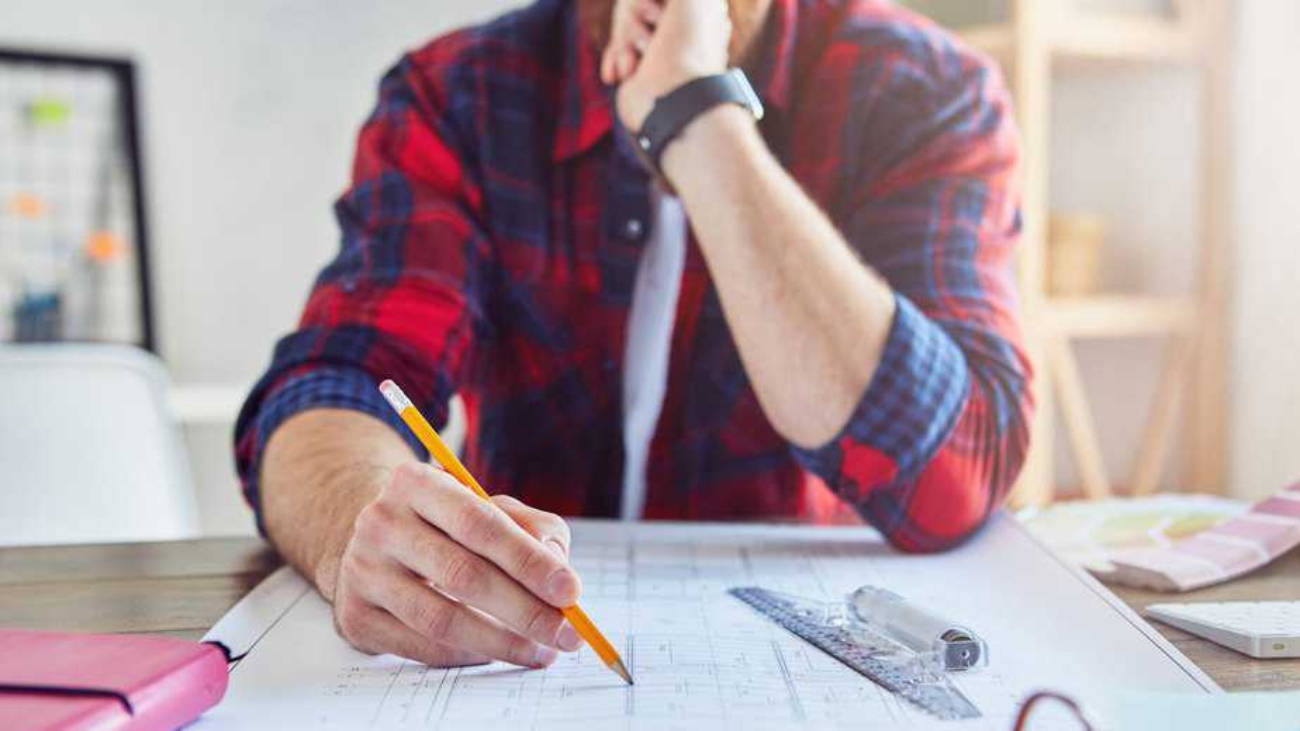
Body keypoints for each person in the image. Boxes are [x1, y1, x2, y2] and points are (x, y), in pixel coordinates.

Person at [234, 0, 1032, 672]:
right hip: (522, 656)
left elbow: (953, 475)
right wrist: (362, 525)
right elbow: (338, 380)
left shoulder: (924, 91)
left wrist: (697, 113)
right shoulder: (458, 93)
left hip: (808, 642)